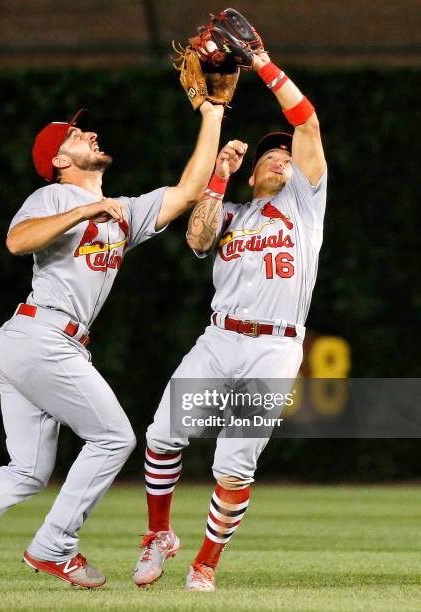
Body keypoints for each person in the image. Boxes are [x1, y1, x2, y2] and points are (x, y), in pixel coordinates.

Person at [0, 101, 225, 592]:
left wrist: (212, 113)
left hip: (44, 343)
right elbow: (18, 242)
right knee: (114, 438)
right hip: (41, 337)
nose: (90, 133)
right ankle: (54, 546)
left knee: (28, 470)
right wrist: (83, 208)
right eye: (76, 135)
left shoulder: (122, 213)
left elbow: (188, 191)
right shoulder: (53, 196)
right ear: (59, 161)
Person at [133, 49, 327, 592]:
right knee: (162, 435)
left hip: (275, 349)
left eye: (286, 153)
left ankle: (204, 565)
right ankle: (158, 537)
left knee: (234, 464)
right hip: (220, 339)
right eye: (270, 153)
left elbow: (305, 120)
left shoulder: (306, 205)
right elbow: (197, 239)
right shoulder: (234, 214)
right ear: (253, 171)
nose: (280, 156)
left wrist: (263, 61)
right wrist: (217, 176)